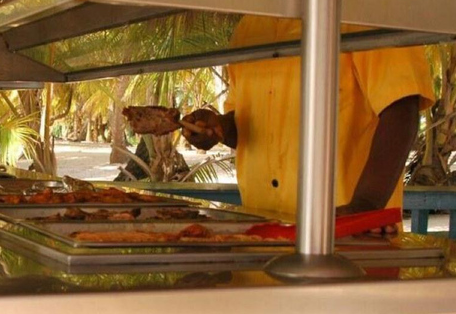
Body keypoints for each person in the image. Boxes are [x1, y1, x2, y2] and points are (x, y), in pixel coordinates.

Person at [182, 16, 435, 218]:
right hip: (263, 227)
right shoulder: (247, 29)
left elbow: (400, 110)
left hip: (345, 233)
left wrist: (365, 207)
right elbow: (247, 124)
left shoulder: (362, 10)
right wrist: (219, 127)